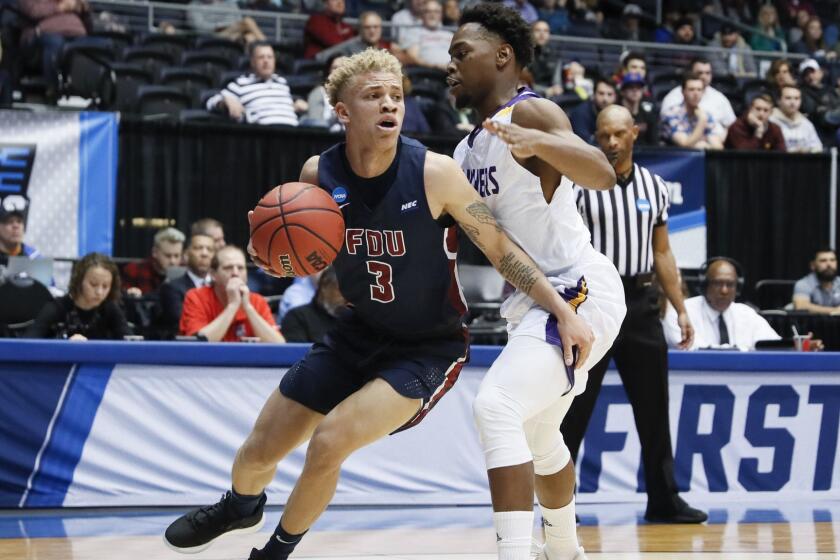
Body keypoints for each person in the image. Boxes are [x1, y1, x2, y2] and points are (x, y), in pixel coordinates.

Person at [164, 48, 582, 560]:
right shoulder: (318, 173)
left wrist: (560, 309)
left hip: (427, 347)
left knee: (329, 441)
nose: (390, 104)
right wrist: (276, 259)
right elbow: (306, 252)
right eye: (373, 96)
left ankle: (274, 553)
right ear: (342, 111)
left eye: (396, 96)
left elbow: (498, 247)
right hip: (356, 331)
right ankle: (239, 505)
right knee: (258, 450)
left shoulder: (436, 173)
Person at [448, 4, 626, 558]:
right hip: (535, 299)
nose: (448, 66)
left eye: (461, 54)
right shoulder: (464, 151)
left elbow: (602, 171)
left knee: (496, 405)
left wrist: (542, 146)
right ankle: (568, 550)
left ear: (502, 56)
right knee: (540, 438)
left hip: (580, 288)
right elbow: (497, 250)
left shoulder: (531, 113)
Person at [562, 104, 706, 525]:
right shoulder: (580, 186)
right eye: (603, 135)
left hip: (641, 304)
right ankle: (560, 503)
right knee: (575, 407)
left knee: (654, 408)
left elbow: (662, 251)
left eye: (618, 135)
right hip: (595, 304)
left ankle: (664, 500)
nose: (610, 143)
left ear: (634, 134)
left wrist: (680, 308)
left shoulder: (655, 186)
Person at [662, 257, 781, 351]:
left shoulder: (747, 314)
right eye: (718, 283)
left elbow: (775, 346)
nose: (724, 290)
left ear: (738, 288)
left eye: (730, 284)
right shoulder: (681, 313)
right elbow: (690, 350)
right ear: (704, 286)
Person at [179, 245, 284, 343]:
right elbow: (200, 343)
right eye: (228, 268)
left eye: (240, 268)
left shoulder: (257, 301)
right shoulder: (196, 297)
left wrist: (248, 307)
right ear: (213, 274)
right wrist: (233, 306)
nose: (235, 273)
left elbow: (279, 345)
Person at [25, 252, 129, 340]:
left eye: (105, 286)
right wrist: (65, 346)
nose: (99, 292)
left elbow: (129, 342)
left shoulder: (111, 308)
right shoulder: (57, 308)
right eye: (93, 284)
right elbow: (28, 343)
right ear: (79, 281)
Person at [206, 41, 306, 126]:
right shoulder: (242, 83)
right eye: (261, 57)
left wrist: (303, 106)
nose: (266, 61)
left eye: (270, 57)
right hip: (263, 136)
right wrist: (226, 100)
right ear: (253, 62)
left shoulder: (282, 83)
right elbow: (210, 102)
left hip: (293, 133)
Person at [19, 0, 89, 101]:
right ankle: (52, 87)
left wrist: (81, 6)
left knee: (90, 47)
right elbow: (33, 11)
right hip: (44, 32)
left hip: (75, 32)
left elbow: (87, 18)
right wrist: (60, 7)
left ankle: (90, 86)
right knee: (55, 44)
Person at [157, 233, 215, 337]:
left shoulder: (221, 287)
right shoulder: (171, 288)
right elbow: (183, 323)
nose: (204, 253)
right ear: (186, 255)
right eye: (198, 248)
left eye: (210, 249)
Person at [660, 58, 736, 130]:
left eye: (707, 73)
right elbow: (665, 126)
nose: (704, 76)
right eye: (699, 73)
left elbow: (732, 126)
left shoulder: (720, 98)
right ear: (690, 73)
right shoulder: (674, 97)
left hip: (715, 140)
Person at [280, 266, 345, 343]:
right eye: (343, 290)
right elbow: (295, 353)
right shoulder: (298, 317)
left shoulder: (357, 318)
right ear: (325, 286)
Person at [661, 73, 725, 149]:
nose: (696, 93)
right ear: (683, 92)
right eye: (691, 89)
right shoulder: (671, 114)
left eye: (699, 90)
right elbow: (685, 145)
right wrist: (702, 121)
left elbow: (718, 147)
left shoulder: (705, 114)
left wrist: (702, 145)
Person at [121, 227, 185, 297]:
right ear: (154, 252)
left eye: (177, 256)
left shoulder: (186, 273)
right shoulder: (134, 271)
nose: (173, 261)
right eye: (167, 256)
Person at [314, 11, 391, 61]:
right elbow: (320, 57)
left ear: (381, 29)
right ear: (360, 29)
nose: (372, 31)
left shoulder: (385, 48)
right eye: (367, 27)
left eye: (376, 27)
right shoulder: (348, 46)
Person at [402, 0, 453, 72]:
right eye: (428, 11)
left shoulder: (450, 34)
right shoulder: (413, 32)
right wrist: (436, 66)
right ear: (422, 14)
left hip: (452, 73)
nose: (432, 15)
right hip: (427, 74)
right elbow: (413, 57)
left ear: (441, 14)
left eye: (436, 12)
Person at [769, 84, 823, 153]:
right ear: (778, 100)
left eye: (796, 98)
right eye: (788, 98)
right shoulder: (770, 121)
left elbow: (818, 148)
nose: (793, 102)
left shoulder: (806, 124)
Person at [188, 0, 265, 44]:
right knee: (248, 21)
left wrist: (232, 27)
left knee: (250, 37)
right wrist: (221, 26)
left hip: (234, 31)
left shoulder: (230, 3)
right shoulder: (193, 5)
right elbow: (199, 26)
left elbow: (238, 19)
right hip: (216, 34)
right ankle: (268, 47)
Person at [568, 78, 616, 144]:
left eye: (609, 94)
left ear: (615, 97)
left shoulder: (617, 113)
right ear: (594, 95)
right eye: (601, 93)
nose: (605, 99)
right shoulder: (580, 113)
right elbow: (584, 144)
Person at [792, 247, 840, 314]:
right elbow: (801, 306)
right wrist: (835, 310)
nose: (829, 264)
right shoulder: (803, 284)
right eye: (823, 260)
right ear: (813, 265)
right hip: (812, 324)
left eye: (832, 260)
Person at [618, 72, 657, 146]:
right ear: (622, 91)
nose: (635, 90)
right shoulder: (616, 113)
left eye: (638, 87)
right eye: (630, 87)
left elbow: (654, 143)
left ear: (642, 91)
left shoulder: (649, 113)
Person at [527, 20, 563, 98]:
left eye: (545, 31)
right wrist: (545, 91)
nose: (542, 34)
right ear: (531, 34)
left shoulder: (555, 55)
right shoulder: (525, 53)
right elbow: (523, 83)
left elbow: (557, 81)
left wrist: (556, 88)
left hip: (550, 94)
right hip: (528, 93)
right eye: (538, 30)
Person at [0, 201, 40, 267]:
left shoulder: (34, 257)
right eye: (9, 222)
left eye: (19, 221)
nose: (16, 226)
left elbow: (47, 277)